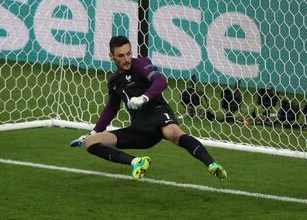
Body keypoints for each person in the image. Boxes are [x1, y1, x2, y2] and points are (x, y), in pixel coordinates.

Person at [70, 35, 227, 180]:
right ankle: (137, 162)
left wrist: (144, 98)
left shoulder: (141, 64)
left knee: (174, 133)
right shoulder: (114, 81)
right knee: (91, 142)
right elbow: (111, 108)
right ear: (111, 56)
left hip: (158, 113)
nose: (126, 59)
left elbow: (161, 81)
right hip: (140, 128)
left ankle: (212, 164)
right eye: (121, 56)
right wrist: (93, 132)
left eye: (129, 53)